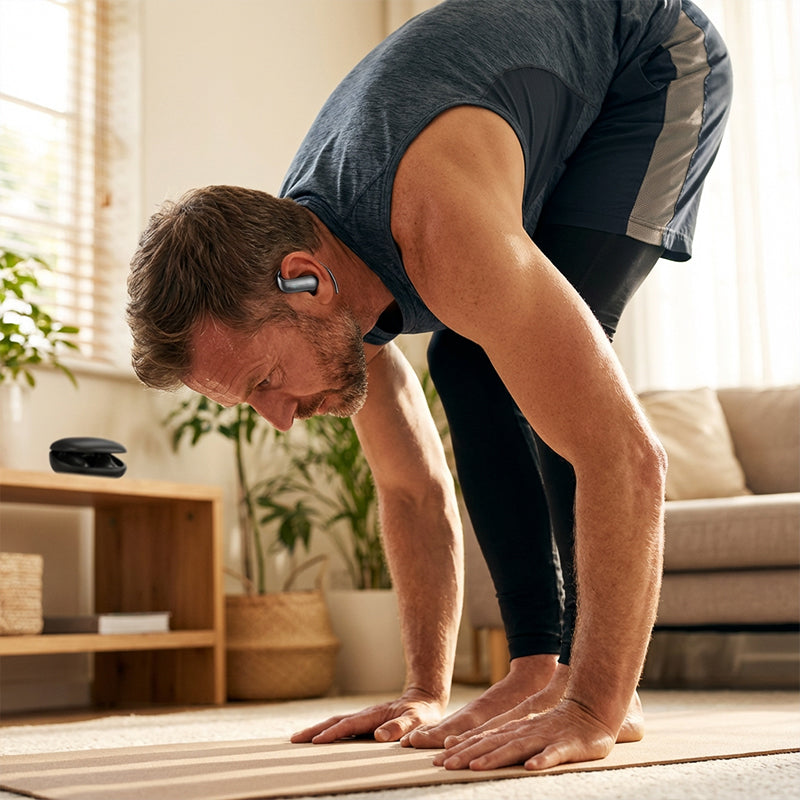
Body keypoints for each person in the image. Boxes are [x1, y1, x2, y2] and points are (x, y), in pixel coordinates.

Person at [127, 0, 731, 772]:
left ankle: (595, 687)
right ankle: (536, 668)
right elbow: (410, 490)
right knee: (467, 361)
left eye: (267, 382)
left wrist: (593, 709)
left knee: (527, 357)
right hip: (512, 105)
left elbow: (628, 458)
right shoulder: (307, 267)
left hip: (649, 57)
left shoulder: (432, 222)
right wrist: (421, 689)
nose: (279, 419)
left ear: (306, 281)